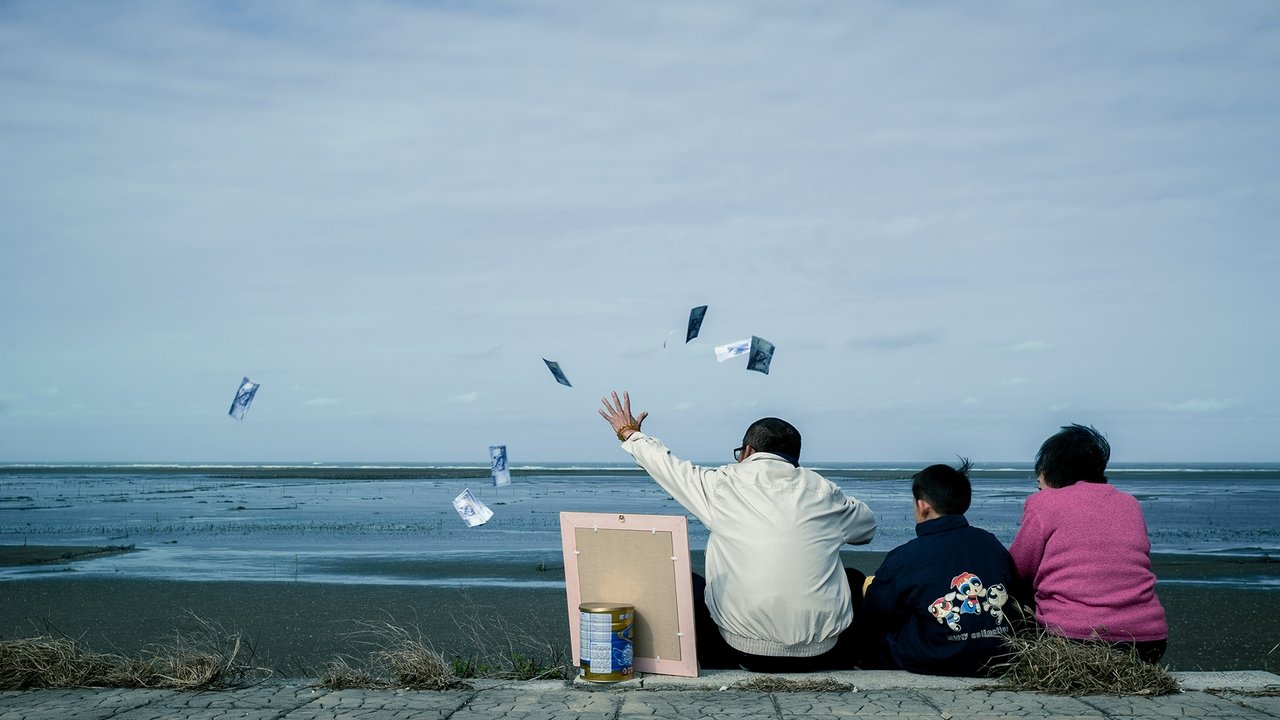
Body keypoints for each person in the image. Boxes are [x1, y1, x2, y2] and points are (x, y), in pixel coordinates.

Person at [598, 391, 877, 672]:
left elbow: (669, 468)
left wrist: (629, 433)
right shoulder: (825, 492)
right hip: (822, 653)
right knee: (852, 578)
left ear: (748, 452)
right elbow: (867, 529)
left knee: (690, 583)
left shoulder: (722, 485)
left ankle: (693, 666)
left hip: (741, 651)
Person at [1009, 424, 1168, 663]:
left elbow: (1018, 570)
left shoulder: (1044, 502)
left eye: (1038, 480)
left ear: (1049, 469)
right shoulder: (1129, 503)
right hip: (1147, 642)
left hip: (1074, 641)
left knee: (1006, 594)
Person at [856, 460, 1018, 676]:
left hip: (936, 656)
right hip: (995, 653)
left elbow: (875, 614)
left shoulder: (905, 556)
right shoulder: (991, 544)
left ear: (923, 506)